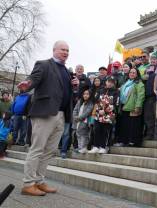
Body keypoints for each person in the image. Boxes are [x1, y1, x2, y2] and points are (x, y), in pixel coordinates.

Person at [18, 40, 76, 196]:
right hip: (45, 113)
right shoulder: (44, 64)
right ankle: (28, 184)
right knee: (37, 149)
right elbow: (33, 79)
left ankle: (39, 181)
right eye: (63, 49)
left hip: (61, 115)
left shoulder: (67, 71)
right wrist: (27, 84)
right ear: (54, 50)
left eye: (68, 50)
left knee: (49, 151)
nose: (65, 52)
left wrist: (74, 86)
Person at [115, 68, 145, 147]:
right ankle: (124, 141)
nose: (132, 74)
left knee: (134, 126)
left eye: (134, 73)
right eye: (131, 72)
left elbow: (140, 96)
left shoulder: (139, 83)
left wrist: (138, 106)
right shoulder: (126, 83)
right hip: (124, 106)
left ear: (137, 74)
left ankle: (133, 142)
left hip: (133, 107)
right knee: (125, 125)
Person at [89, 76, 119, 153]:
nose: (109, 83)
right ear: (106, 82)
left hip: (109, 115)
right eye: (108, 81)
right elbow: (96, 101)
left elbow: (116, 103)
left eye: (112, 82)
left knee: (105, 131)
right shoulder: (100, 90)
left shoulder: (116, 92)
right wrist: (99, 110)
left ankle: (103, 147)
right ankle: (95, 146)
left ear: (114, 83)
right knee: (97, 130)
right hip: (98, 114)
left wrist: (105, 111)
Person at [143, 51, 157, 140]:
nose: (153, 61)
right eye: (152, 59)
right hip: (147, 96)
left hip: (156, 96)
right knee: (148, 116)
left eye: (155, 59)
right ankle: (150, 134)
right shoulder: (148, 70)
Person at [72, 89, 94, 153]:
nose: (85, 95)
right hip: (77, 121)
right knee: (78, 134)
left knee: (84, 134)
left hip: (84, 121)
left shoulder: (90, 103)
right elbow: (75, 110)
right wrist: (75, 116)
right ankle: (80, 147)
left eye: (87, 94)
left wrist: (79, 118)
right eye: (84, 94)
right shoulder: (80, 101)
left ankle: (83, 147)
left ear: (90, 95)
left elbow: (87, 112)